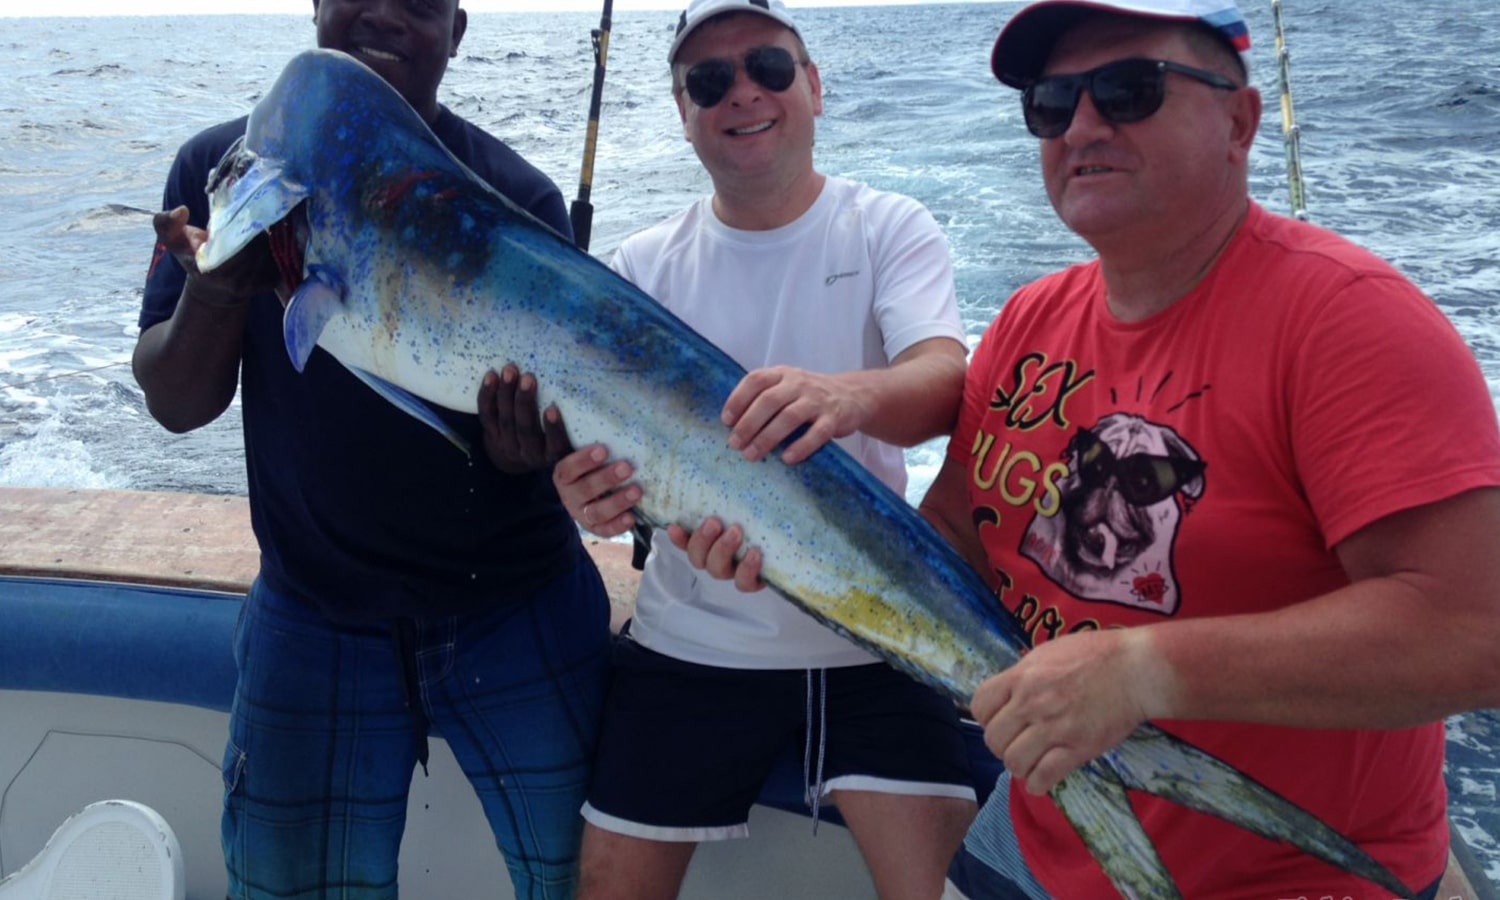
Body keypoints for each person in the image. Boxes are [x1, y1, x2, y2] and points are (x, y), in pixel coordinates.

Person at [904, 1, 1500, 897]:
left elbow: (1475, 632)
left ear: (1240, 121)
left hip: (1293, 872)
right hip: (1036, 834)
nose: (1083, 125)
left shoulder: (1350, 321)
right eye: (1053, 102)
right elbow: (954, 531)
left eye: (1127, 89)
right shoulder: (1030, 316)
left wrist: (1145, 670)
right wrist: (765, 536)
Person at [485, 1, 978, 897]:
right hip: (692, 643)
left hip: (877, 643)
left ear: (815, 87)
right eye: (708, 81)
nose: (742, 92)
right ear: (683, 112)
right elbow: (605, 470)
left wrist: (843, 397)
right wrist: (590, 495)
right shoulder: (638, 269)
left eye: (769, 67)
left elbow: (946, 382)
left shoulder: (888, 228)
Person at [132, 1, 612, 897]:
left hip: (517, 602)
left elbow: (553, 441)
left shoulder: (518, 196)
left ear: (458, 32)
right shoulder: (223, 167)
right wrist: (217, 293)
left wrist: (523, 455)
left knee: (589, 878)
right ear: (314, 6)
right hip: (314, 607)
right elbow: (176, 404)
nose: (385, 10)